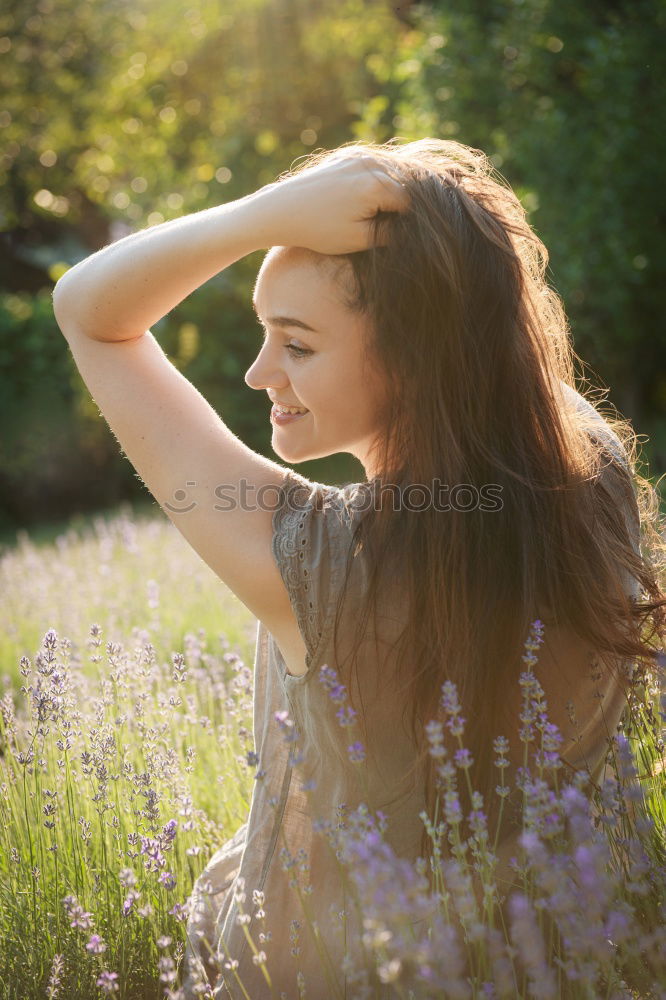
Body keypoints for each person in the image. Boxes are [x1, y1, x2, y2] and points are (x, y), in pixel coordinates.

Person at [52, 139, 666, 999]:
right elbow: (489, 332)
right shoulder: (591, 482)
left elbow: (87, 306)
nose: (259, 372)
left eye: (296, 345)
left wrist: (260, 214)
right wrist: (430, 213)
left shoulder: (310, 564)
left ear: (418, 357)